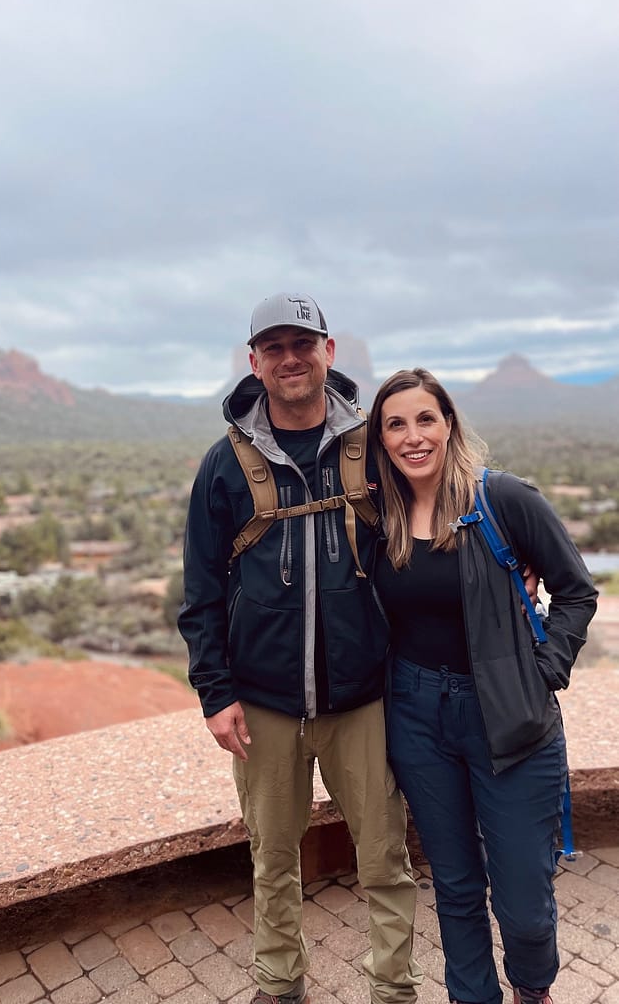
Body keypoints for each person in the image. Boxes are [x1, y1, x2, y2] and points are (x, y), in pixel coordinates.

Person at [178, 293, 422, 1004]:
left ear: (329, 352)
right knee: (273, 859)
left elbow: (448, 499)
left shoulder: (372, 447)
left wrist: (525, 548)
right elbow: (201, 590)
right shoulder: (224, 466)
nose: (291, 358)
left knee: (384, 857)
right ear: (254, 361)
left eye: (303, 344)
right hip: (264, 701)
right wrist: (215, 695)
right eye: (275, 347)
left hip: (364, 699)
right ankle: (280, 986)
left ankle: (394, 988)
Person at [368, 367, 598, 1004]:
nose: (413, 436)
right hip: (415, 715)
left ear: (448, 425)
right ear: (380, 439)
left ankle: (532, 988)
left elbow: (576, 592)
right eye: (396, 423)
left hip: (509, 717)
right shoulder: (377, 518)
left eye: (425, 419)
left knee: (523, 895)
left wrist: (546, 670)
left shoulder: (502, 500)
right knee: (458, 886)